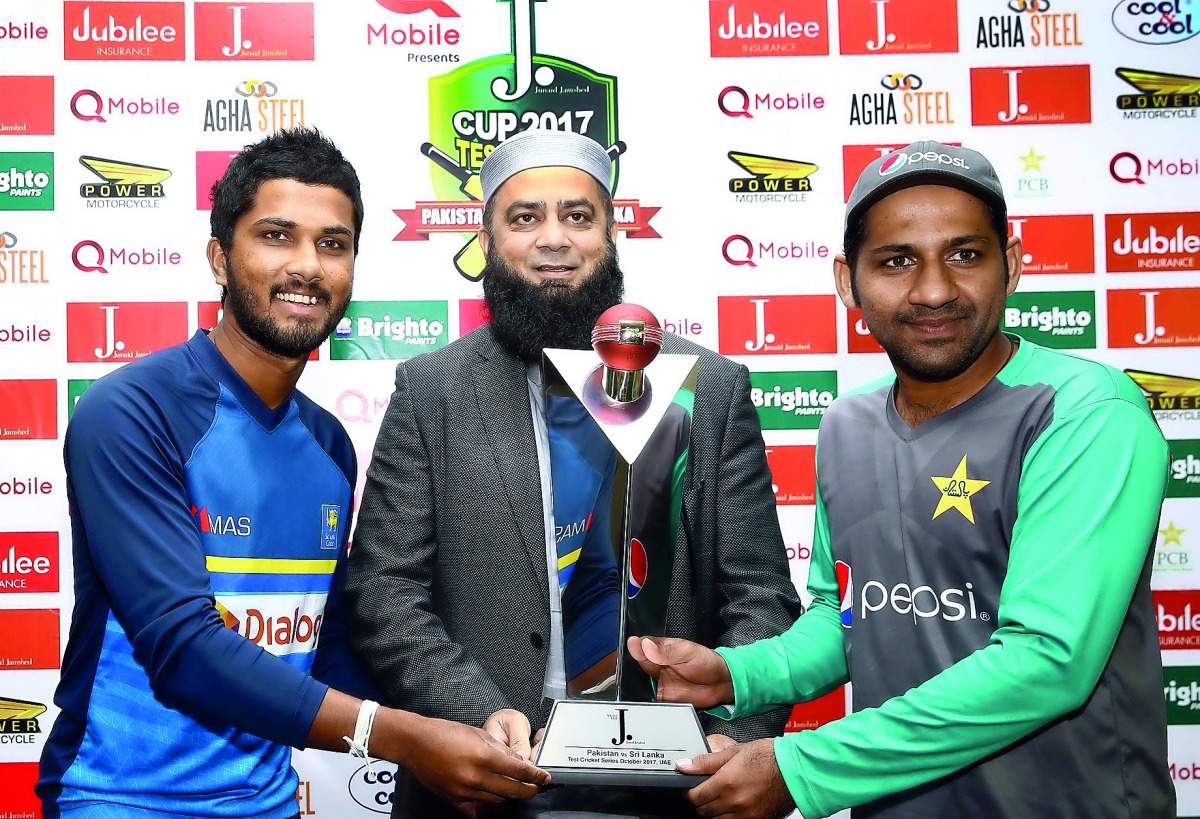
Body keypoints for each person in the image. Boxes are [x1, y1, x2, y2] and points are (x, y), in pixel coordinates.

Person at [629, 140, 1174, 819]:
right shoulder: (847, 424)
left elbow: (1048, 660)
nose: (935, 289)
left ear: (1014, 264)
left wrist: (804, 767)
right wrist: (737, 673)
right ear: (845, 280)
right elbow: (851, 612)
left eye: (966, 254)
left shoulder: (1086, 412)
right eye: (896, 261)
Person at [36, 127, 549, 819]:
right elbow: (182, 645)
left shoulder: (329, 442)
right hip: (120, 799)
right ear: (220, 257)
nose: (308, 265)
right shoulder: (130, 410)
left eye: (333, 244)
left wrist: (466, 715)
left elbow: (324, 639)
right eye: (277, 236)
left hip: (270, 802)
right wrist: (401, 737)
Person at [345, 128, 803, 818]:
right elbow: (385, 589)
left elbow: (759, 595)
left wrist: (731, 740)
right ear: (488, 238)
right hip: (484, 778)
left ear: (611, 235)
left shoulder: (706, 387)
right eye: (525, 217)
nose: (553, 239)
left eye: (578, 216)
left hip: (673, 786)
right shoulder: (430, 390)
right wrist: (477, 711)